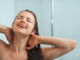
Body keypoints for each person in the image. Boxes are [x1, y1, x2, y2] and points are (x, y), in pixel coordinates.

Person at [0, 10, 77, 60]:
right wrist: (5, 30)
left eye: (28, 20)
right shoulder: (2, 48)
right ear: (12, 24)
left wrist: (39, 39)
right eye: (20, 18)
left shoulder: (41, 53)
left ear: (33, 31)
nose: (23, 20)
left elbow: (71, 44)